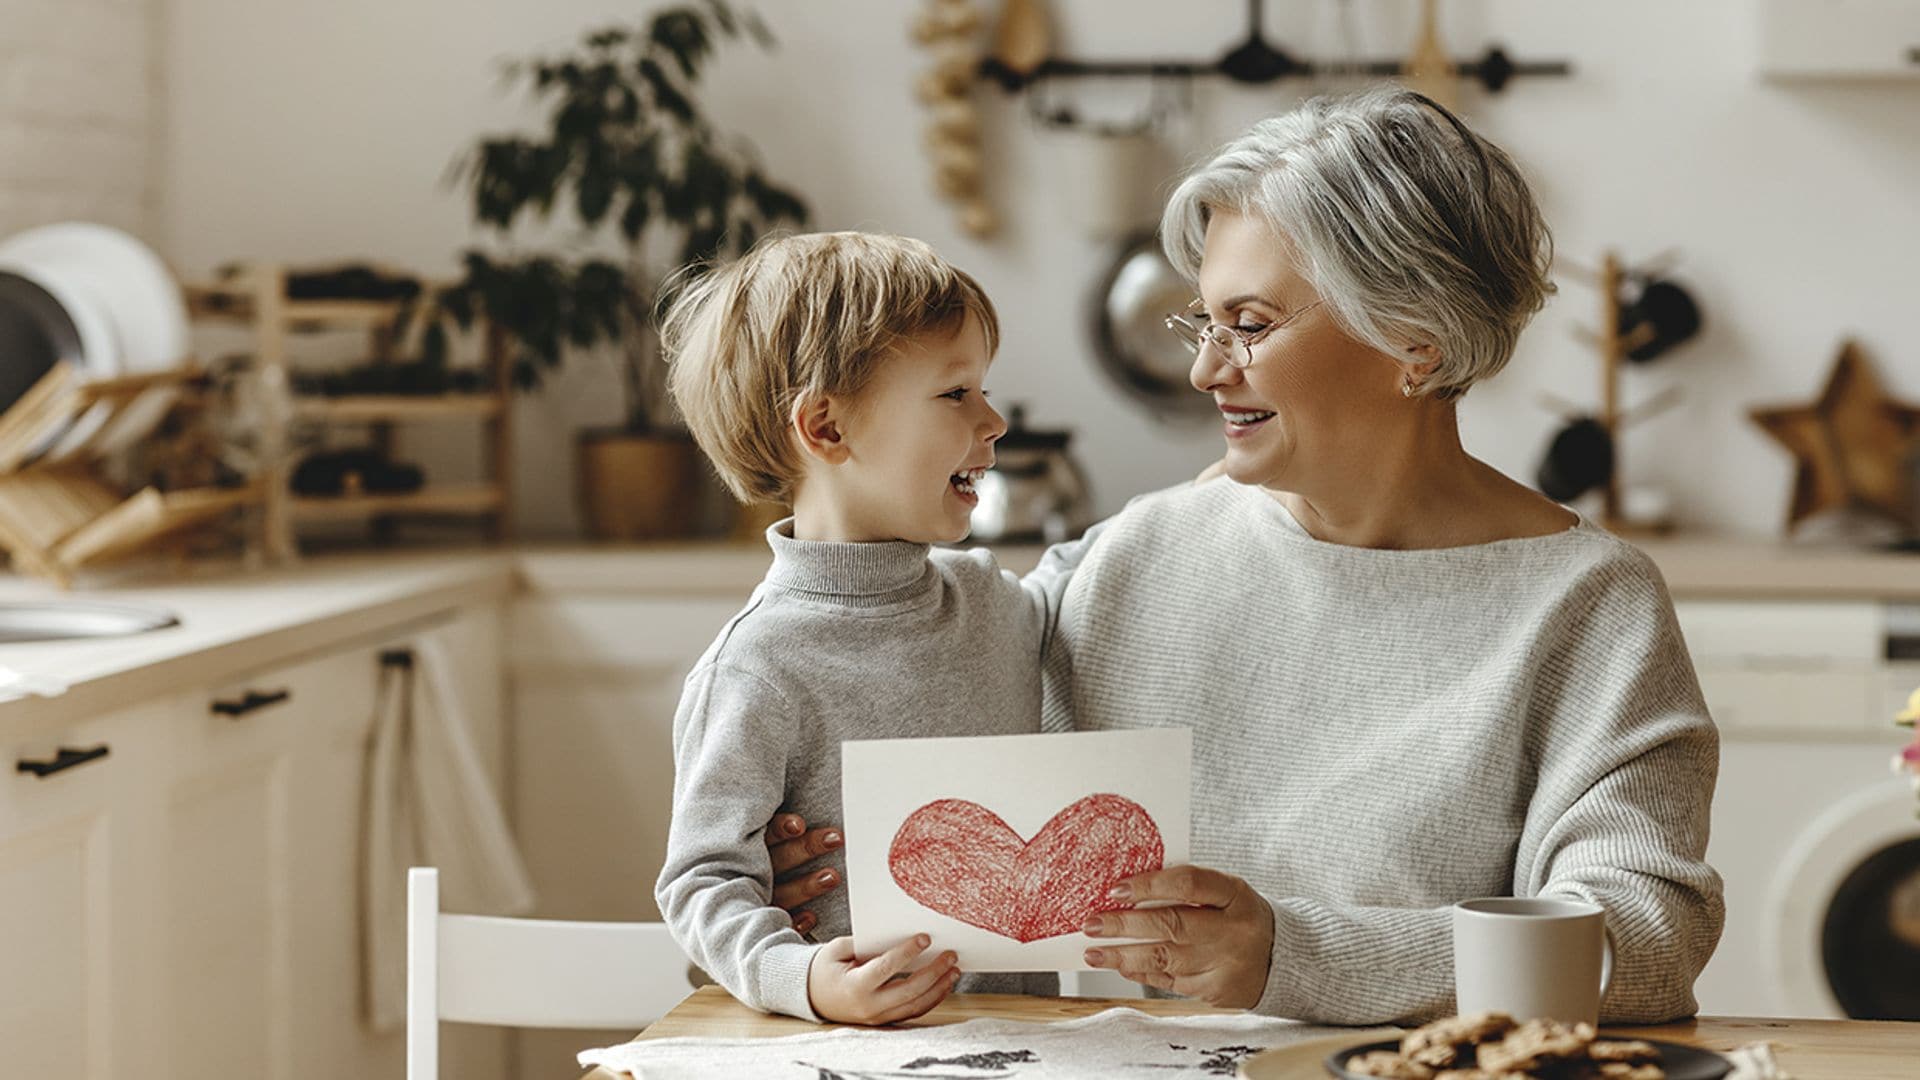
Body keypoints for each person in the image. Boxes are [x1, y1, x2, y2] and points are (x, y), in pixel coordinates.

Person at [762, 86, 1724, 1026]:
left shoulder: (1588, 607)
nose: (1203, 369)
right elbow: (929, 712)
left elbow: (1645, 943)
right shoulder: (1144, 551)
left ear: (1415, 343)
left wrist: (1291, 955)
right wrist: (821, 854)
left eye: (1250, 326)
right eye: (1203, 322)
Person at [652, 232, 1059, 1025]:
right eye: (956, 394)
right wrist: (803, 979)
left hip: (1032, 1051)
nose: (996, 419)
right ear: (827, 429)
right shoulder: (756, 665)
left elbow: (1109, 564)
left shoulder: (995, 603)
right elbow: (702, 882)